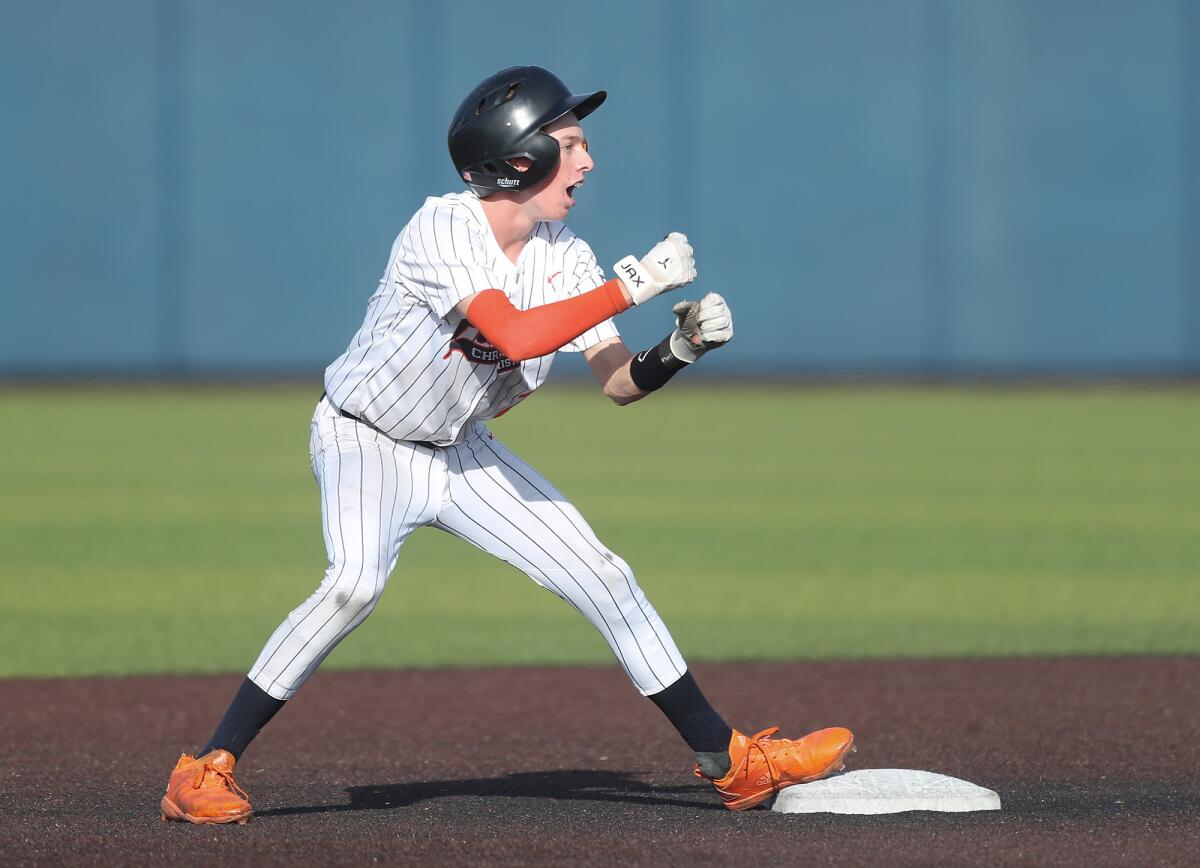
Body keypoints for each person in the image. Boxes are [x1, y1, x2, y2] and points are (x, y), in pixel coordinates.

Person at [160, 66, 854, 824]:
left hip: (461, 451)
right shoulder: (442, 228)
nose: (587, 162)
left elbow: (617, 382)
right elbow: (516, 332)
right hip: (366, 439)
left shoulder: (567, 255)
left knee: (605, 575)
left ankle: (733, 762)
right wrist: (634, 283)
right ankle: (203, 769)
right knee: (354, 584)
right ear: (519, 159)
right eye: (571, 144)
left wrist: (679, 349)